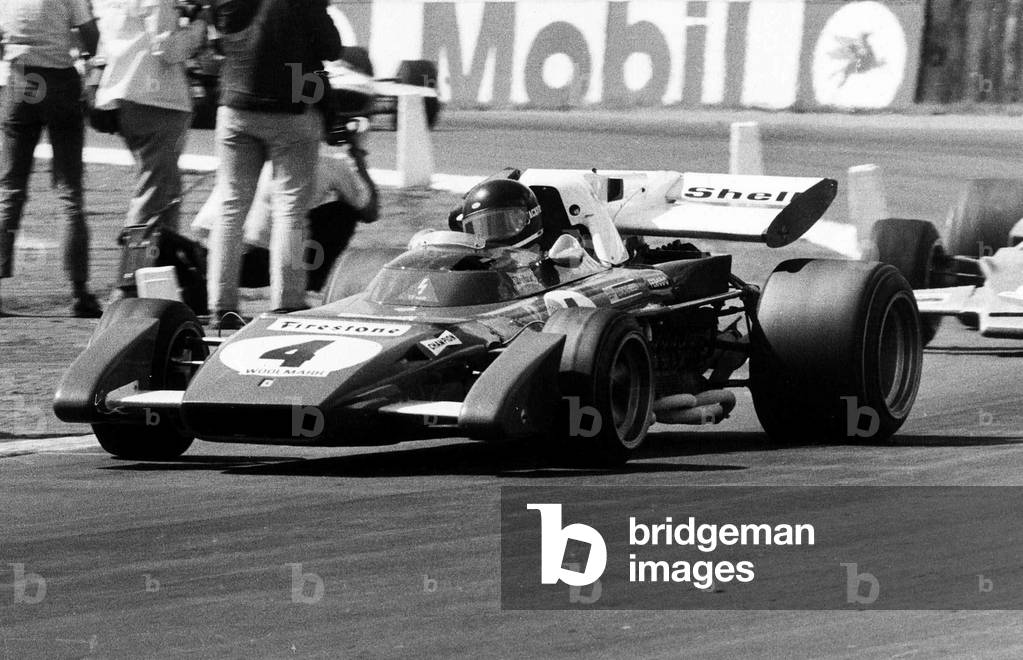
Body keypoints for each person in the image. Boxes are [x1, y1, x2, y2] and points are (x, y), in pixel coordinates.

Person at [206, 0, 341, 329]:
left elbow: (216, 40)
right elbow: (332, 48)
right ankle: (288, 301)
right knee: (291, 212)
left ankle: (221, 305)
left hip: (235, 104)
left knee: (230, 206)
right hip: (291, 106)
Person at [0, 0, 101, 316]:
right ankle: (79, 292)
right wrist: (88, 59)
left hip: (20, 77)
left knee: (10, 189)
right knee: (70, 192)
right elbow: (90, 34)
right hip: (59, 81)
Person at [94, 0, 206, 258]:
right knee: (154, 195)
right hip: (157, 101)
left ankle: (160, 270)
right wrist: (200, 26)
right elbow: (168, 49)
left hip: (127, 95)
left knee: (165, 192)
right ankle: (134, 273)